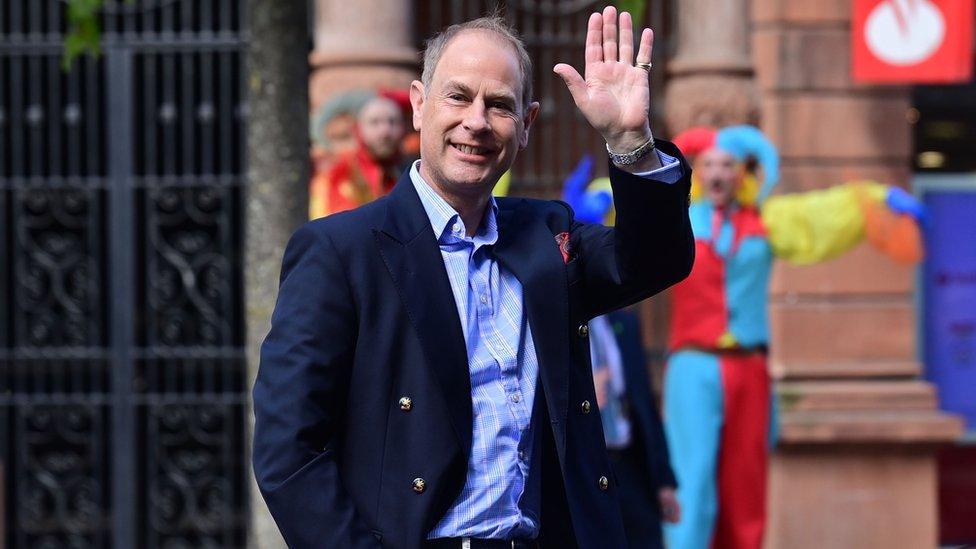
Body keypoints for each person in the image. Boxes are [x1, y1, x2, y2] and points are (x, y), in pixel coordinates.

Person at [252, 8, 694, 549]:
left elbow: (653, 260)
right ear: (419, 104)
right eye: (458, 96)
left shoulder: (545, 236)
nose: (477, 122)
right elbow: (288, 450)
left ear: (527, 125)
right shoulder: (339, 251)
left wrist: (631, 143)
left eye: (500, 105)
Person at [661, 125, 926, 549]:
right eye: (708, 164)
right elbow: (628, 209)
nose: (716, 173)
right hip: (693, 364)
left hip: (750, 366)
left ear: (742, 173)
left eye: (726, 165)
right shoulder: (676, 218)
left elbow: (822, 213)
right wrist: (595, 201)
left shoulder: (767, 221)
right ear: (697, 170)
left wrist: (878, 199)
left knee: (746, 481)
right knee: (692, 479)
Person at [562, 159, 680, 549]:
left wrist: (663, 481)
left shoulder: (624, 322)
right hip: (583, 466)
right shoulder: (553, 316)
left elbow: (643, 400)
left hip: (628, 463)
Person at [309, 94, 407, 219]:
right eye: (374, 122)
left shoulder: (415, 173)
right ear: (358, 129)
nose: (385, 131)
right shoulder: (336, 177)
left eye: (392, 122)